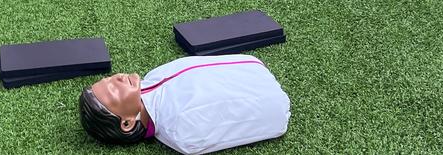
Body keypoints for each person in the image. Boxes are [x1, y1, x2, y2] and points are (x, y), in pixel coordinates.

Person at [79, 54, 290, 154]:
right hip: (273, 102)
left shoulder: (153, 78)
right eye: (113, 91)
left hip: (254, 69)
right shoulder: (181, 129)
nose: (116, 78)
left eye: (108, 80)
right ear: (127, 123)